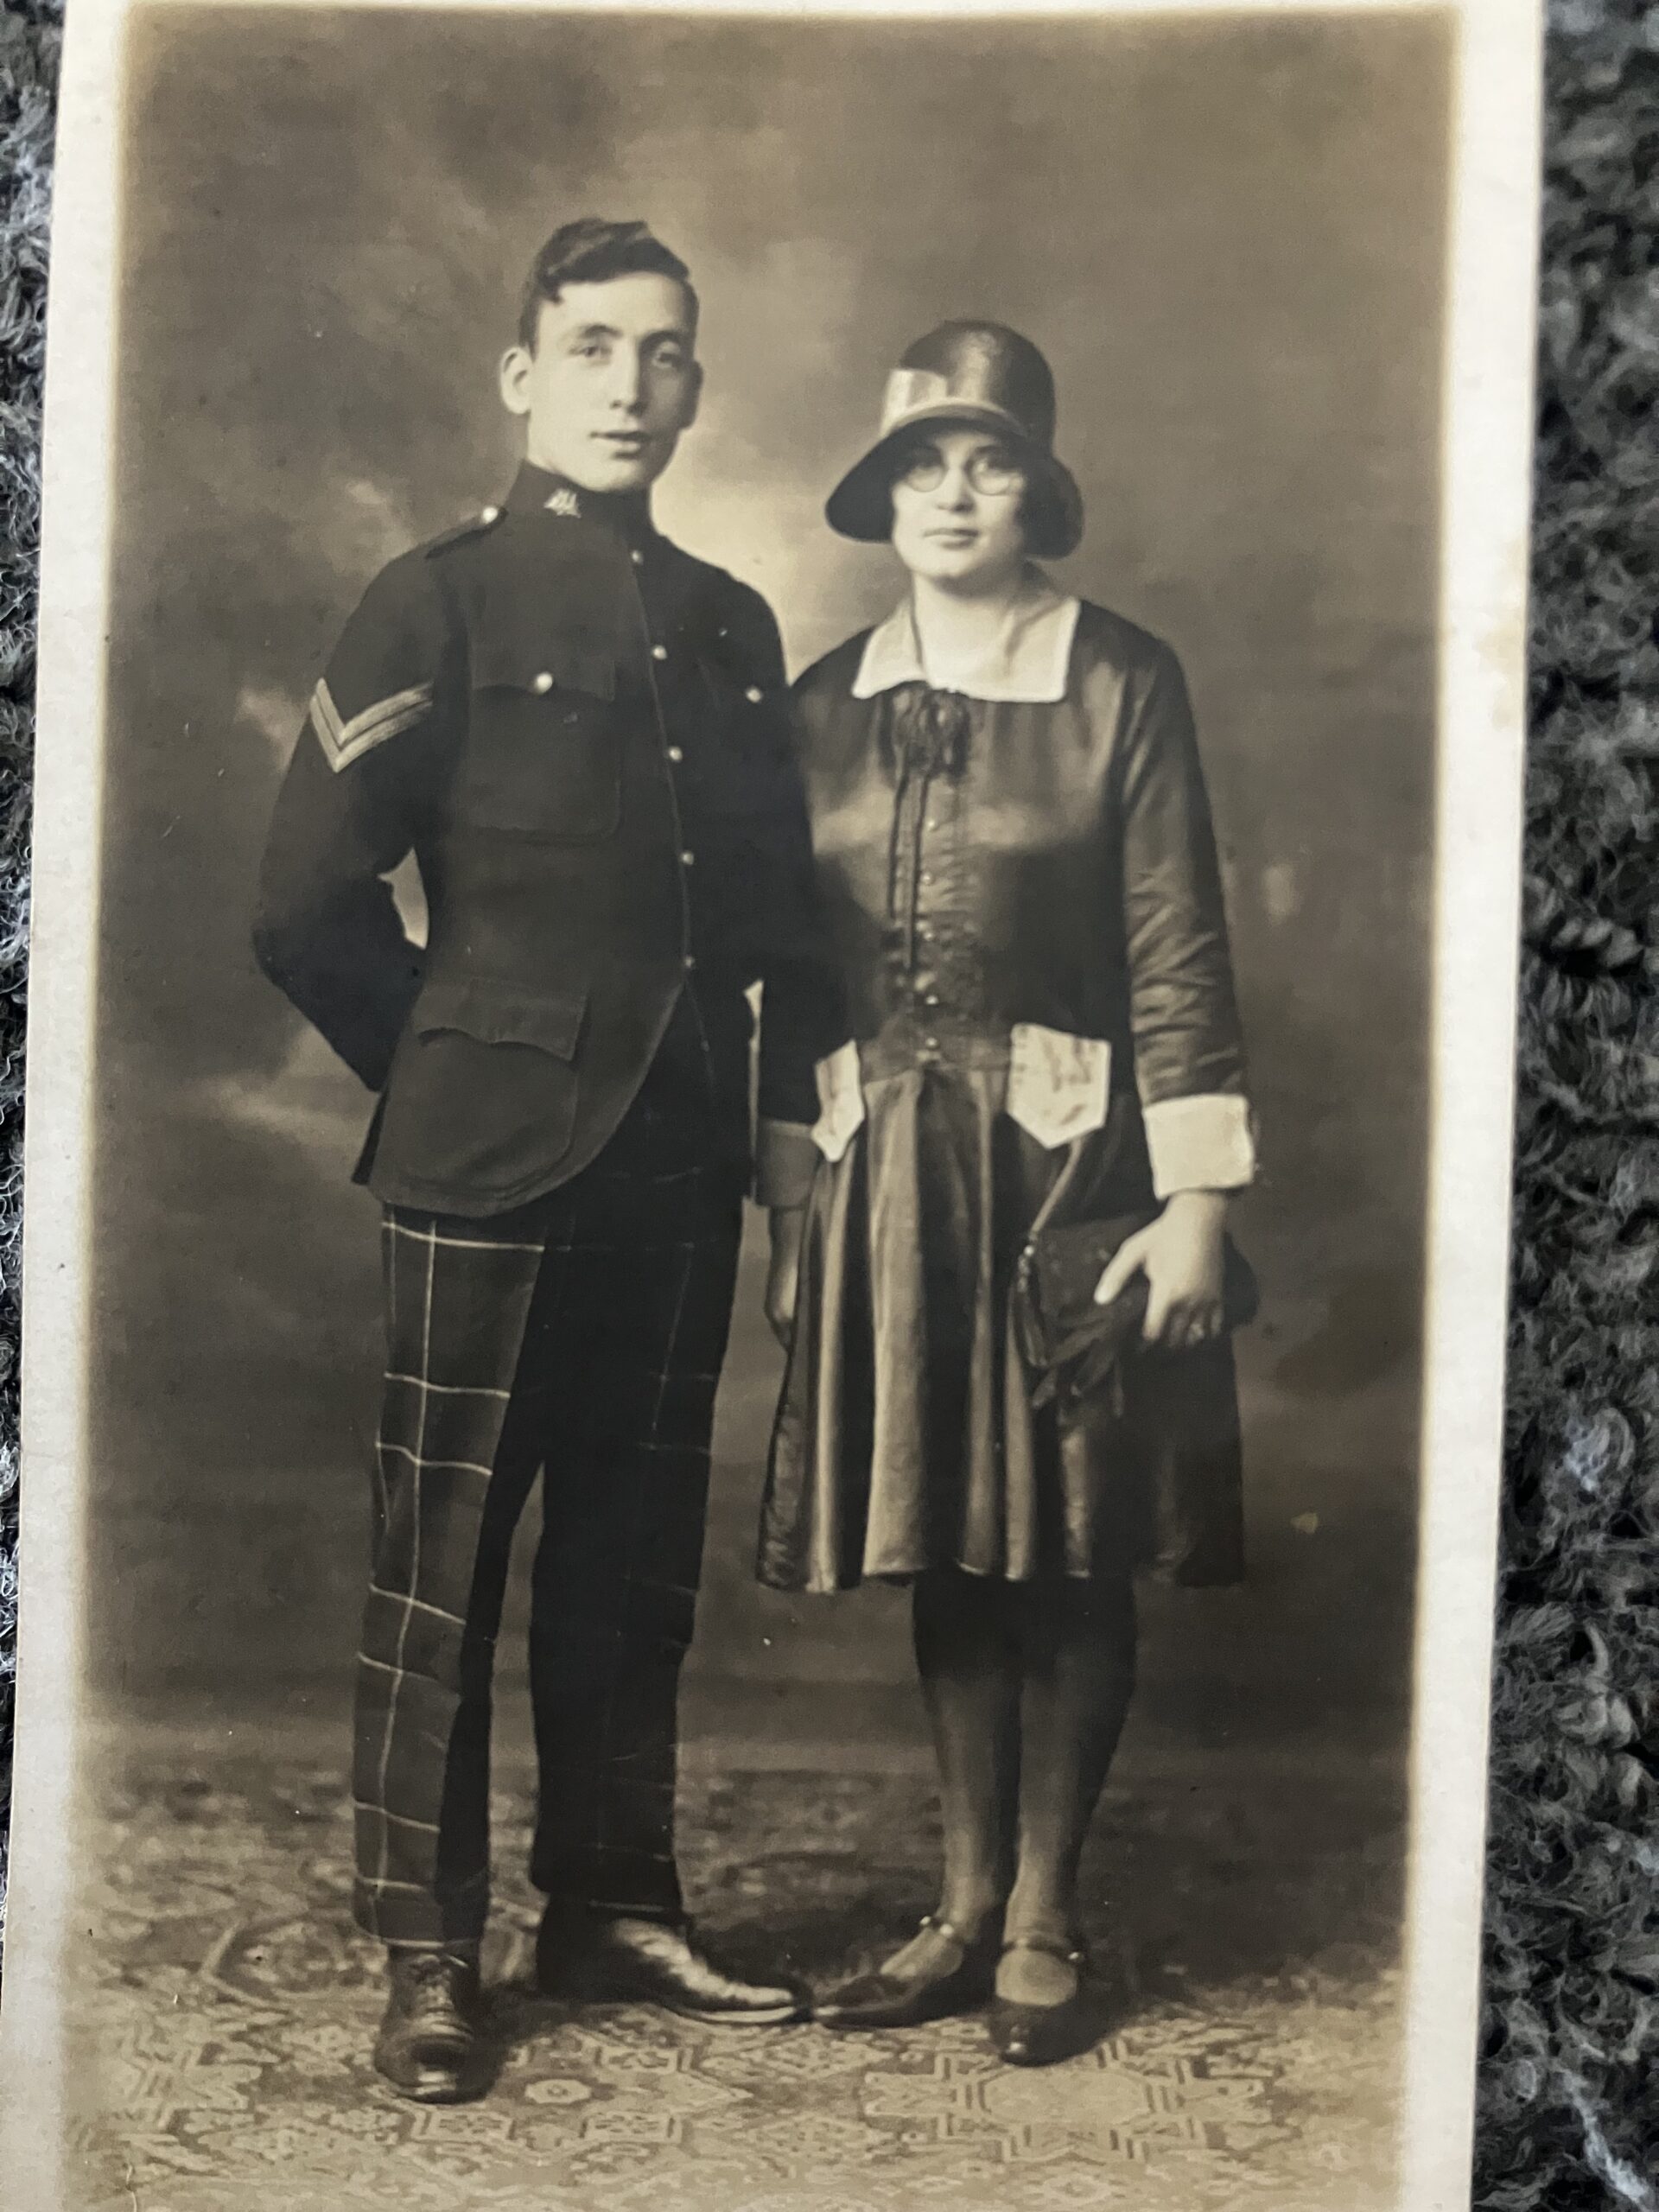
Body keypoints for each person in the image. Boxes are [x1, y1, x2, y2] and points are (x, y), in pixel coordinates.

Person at [254, 219, 820, 2102]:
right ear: (521, 376)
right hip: (485, 1152)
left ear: (698, 384)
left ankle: (609, 1900)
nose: (631, 387)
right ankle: (428, 1949)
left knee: (634, 1555)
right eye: (592, 348)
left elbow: (779, 920)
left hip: (677, 1152)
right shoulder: (440, 600)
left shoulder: (734, 623)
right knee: (445, 1568)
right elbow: (305, 902)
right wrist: (449, 1066)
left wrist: (785, 1114)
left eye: (666, 353)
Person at [757, 321, 1256, 2066]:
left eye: (988, 461)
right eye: (923, 460)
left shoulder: (1122, 680)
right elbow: (795, 981)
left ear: (1035, 488)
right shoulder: (819, 704)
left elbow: (1178, 948)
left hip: (1077, 1167)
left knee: (1068, 1535)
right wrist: (793, 1199)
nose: (954, 491)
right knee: (952, 1540)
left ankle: (1046, 1903)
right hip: (889, 1170)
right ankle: (959, 1901)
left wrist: (1194, 1199)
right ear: (883, 487)